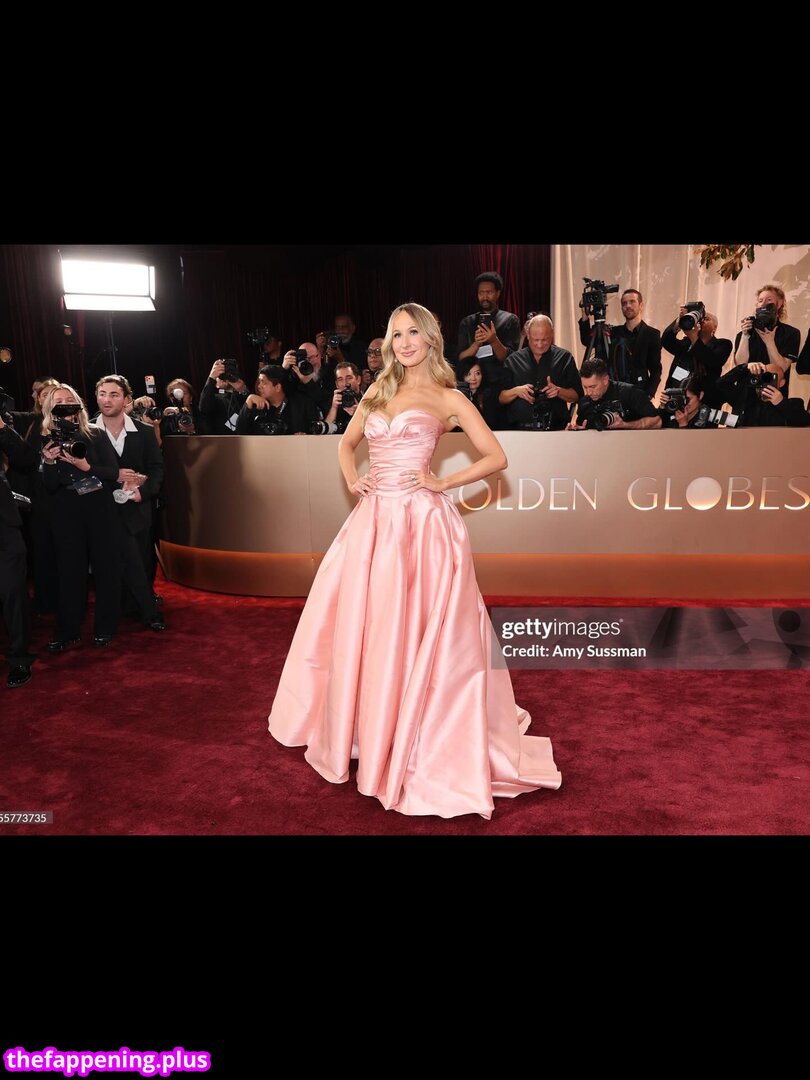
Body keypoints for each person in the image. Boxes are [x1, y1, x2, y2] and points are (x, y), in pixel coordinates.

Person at [268, 302, 561, 819]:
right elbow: (347, 445)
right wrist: (352, 478)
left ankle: (420, 729)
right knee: (370, 626)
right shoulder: (377, 391)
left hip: (423, 526)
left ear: (430, 339)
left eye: (412, 333)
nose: (403, 343)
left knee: (419, 627)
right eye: (396, 334)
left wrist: (442, 482)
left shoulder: (449, 397)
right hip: (372, 523)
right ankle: (370, 725)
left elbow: (496, 456)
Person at [0, 410, 38, 687]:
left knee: (13, 591)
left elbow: (25, 458)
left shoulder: (4, 422)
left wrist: (1, 427)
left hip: (4, 526)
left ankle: (20, 657)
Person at [579, 288, 662, 398]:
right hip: (615, 394)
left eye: (632, 302)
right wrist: (585, 315)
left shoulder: (652, 334)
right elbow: (587, 341)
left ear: (641, 305)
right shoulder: (612, 333)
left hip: (639, 394)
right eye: (624, 303)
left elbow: (656, 370)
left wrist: (648, 395)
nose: (628, 306)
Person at [456, 271, 520, 384]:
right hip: (472, 382)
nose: (485, 297)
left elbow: (511, 359)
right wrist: (476, 344)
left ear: (498, 293)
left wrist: (493, 340)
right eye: (481, 293)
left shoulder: (510, 320)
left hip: (499, 381)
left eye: (489, 292)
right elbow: (461, 358)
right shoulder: (467, 322)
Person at [733, 282, 800, 375]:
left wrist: (770, 342)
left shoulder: (791, 333)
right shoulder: (745, 333)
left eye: (769, 300)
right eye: (760, 301)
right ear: (757, 304)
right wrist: (745, 337)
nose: (763, 304)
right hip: (747, 383)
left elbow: (781, 369)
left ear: (779, 304)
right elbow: (740, 365)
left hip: (775, 384)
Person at [661, 307, 732, 388]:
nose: (702, 321)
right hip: (676, 390)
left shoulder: (723, 344)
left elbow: (713, 361)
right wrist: (679, 321)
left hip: (704, 393)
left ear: (715, 327)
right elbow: (666, 341)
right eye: (700, 319)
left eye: (706, 319)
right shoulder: (686, 342)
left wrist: (694, 337)